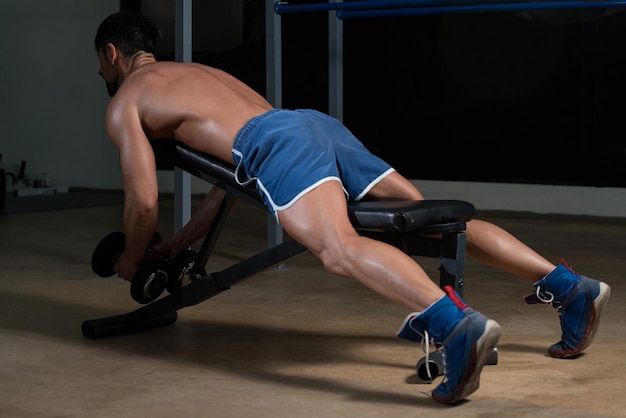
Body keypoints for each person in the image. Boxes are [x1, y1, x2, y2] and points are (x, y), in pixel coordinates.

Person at [94, 11, 610, 405]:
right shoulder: (198, 73)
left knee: (338, 248)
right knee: (439, 222)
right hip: (313, 125)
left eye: (99, 62)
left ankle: (457, 326)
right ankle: (571, 288)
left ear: (112, 54)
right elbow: (240, 166)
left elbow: (142, 202)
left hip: (277, 140)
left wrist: (132, 259)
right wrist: (185, 240)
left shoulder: (126, 103)